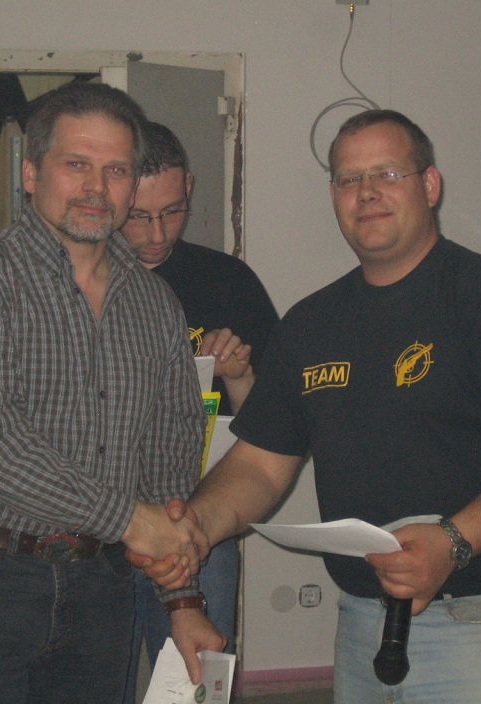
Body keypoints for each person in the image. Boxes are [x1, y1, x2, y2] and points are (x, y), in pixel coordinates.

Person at [136, 109, 481, 703]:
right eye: (349, 179)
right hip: (362, 623)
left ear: (430, 185)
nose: (368, 192)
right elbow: (260, 466)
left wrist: (453, 541)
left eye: (388, 174)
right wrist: (197, 529)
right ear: (334, 195)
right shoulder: (312, 324)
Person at [0, 81, 223, 704]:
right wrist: (129, 520)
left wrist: (182, 601)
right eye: (76, 164)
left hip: (102, 588)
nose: (96, 187)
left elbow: (167, 460)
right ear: (31, 173)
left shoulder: (155, 304)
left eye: (116, 170)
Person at [119, 121, 278, 701]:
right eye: (138, 216)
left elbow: (274, 432)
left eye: (173, 211)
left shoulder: (227, 281)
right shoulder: (81, 280)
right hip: (96, 523)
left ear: (189, 186)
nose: (157, 234)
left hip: (197, 518)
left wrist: (238, 375)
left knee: (195, 688)